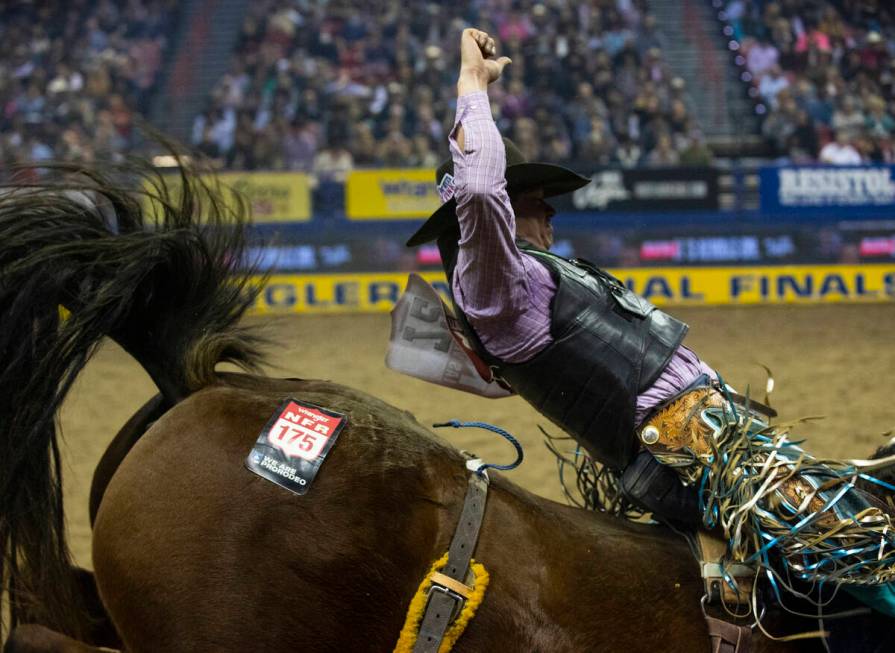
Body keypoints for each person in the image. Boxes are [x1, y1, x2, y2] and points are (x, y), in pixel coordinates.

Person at [406, 28, 895, 612]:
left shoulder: (511, 288)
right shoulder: (494, 287)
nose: (550, 208)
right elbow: (481, 192)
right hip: (691, 451)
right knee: (857, 554)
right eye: (535, 195)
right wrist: (473, 83)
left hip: (706, 442)